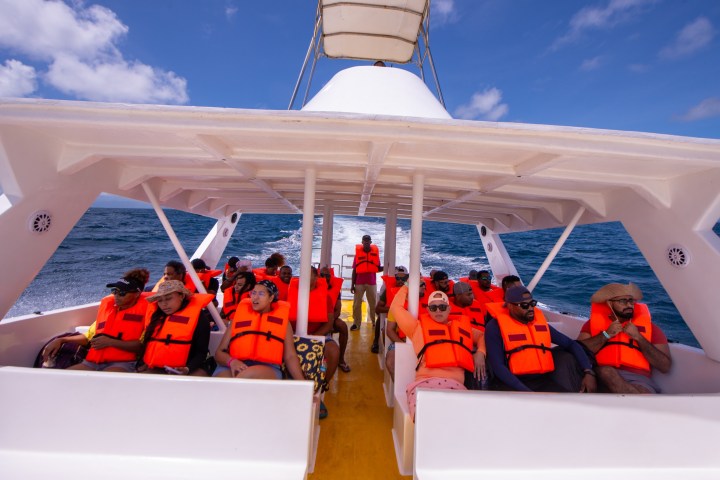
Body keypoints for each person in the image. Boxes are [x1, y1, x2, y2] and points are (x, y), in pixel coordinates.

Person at [390, 287, 486, 421]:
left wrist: (480, 353)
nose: (438, 311)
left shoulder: (464, 329)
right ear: (428, 310)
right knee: (425, 419)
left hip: (455, 386)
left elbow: (482, 336)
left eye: (442, 307)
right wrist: (407, 287)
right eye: (433, 308)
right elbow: (396, 308)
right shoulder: (417, 328)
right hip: (424, 384)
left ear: (449, 308)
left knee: (460, 420)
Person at [485, 286, 596, 393]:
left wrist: (588, 371)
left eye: (532, 303)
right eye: (524, 305)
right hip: (512, 384)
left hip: (541, 381)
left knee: (569, 403)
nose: (530, 308)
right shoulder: (495, 327)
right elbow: (497, 366)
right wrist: (527, 392)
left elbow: (571, 344)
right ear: (510, 306)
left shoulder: (539, 324)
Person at [42, 268, 151, 372]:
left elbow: (142, 347)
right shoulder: (108, 311)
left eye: (122, 293)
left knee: (101, 381)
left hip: (123, 363)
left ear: (137, 294)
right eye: (115, 291)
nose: (117, 296)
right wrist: (61, 340)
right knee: (64, 377)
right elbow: (87, 337)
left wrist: (111, 342)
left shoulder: (146, 313)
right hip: (92, 363)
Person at [577, 283, 671, 393]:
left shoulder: (651, 328)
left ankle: (638, 404)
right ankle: (642, 406)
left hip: (639, 379)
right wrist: (606, 334)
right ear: (609, 303)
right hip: (601, 377)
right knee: (608, 372)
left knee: (644, 392)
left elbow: (665, 367)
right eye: (622, 301)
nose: (629, 305)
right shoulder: (591, 324)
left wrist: (639, 337)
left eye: (631, 301)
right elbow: (578, 352)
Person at [214, 280, 306, 380]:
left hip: (267, 367)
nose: (255, 297)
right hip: (233, 364)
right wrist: (232, 362)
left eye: (261, 294)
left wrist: (303, 384)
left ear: (271, 298)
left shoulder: (284, 323)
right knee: (220, 382)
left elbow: (290, 356)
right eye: (253, 293)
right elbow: (219, 353)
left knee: (244, 377)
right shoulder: (237, 319)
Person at [136, 280, 215, 376]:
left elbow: (201, 352)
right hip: (159, 367)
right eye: (160, 300)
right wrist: (143, 362)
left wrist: (187, 369)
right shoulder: (155, 317)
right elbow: (146, 343)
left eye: (168, 298)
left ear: (181, 296)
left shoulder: (199, 318)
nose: (164, 304)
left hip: (192, 366)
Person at [382, 272, 425, 381]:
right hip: (402, 340)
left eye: (424, 285)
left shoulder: (433, 305)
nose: (423, 288)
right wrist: (404, 347)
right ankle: (399, 391)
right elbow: (390, 330)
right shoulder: (397, 306)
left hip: (425, 341)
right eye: (420, 285)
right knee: (391, 362)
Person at [319, 265, 350, 373]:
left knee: (343, 327)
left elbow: (338, 309)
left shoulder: (336, 290)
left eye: (327, 275)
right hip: (316, 319)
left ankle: (341, 360)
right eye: (322, 275)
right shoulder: (314, 287)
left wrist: (330, 322)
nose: (324, 277)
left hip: (331, 318)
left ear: (330, 276)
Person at [350, 234, 383, 331]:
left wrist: (387, 267)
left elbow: (377, 268)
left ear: (371, 242)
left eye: (368, 240)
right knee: (356, 304)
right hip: (359, 282)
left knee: (373, 304)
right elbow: (354, 270)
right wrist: (352, 284)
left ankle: (373, 322)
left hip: (371, 283)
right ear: (362, 242)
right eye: (365, 240)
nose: (366, 242)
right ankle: (356, 323)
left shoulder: (375, 255)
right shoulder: (358, 255)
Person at [374, 266, 409, 353]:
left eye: (404, 278)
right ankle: (376, 343)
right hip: (391, 321)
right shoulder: (388, 291)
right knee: (381, 323)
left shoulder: (413, 291)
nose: (400, 281)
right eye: (398, 278)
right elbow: (378, 309)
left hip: (408, 322)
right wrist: (394, 309)